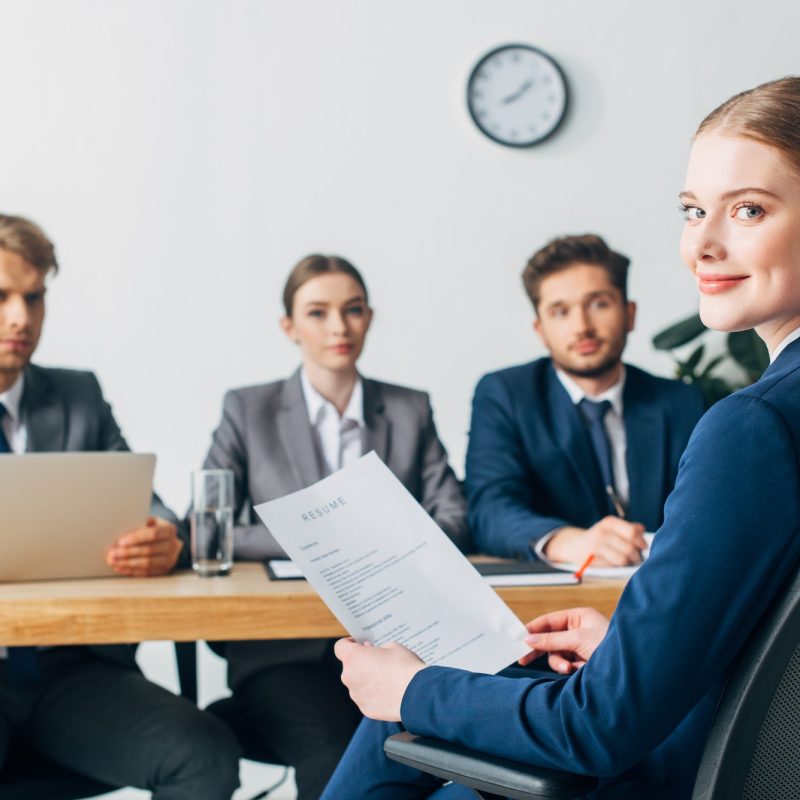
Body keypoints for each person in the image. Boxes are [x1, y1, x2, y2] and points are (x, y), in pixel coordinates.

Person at [320, 75, 800, 799]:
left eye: (748, 210)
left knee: (401, 707)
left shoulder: (751, 428)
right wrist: (632, 649)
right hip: (715, 740)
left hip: (675, 770)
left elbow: (596, 729)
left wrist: (413, 691)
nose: (701, 243)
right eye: (693, 210)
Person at [201, 253, 468, 800]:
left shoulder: (408, 408)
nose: (339, 327)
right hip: (284, 650)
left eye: (352, 310)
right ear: (289, 326)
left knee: (439, 752)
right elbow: (208, 531)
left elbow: (455, 518)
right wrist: (328, 543)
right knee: (332, 751)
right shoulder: (248, 410)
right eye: (318, 312)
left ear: (369, 316)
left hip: (398, 641)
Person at [0, 214, 240, 798]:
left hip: (70, 670)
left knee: (205, 755)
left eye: (35, 298)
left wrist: (164, 534)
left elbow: (146, 502)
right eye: (3, 297)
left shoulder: (78, 395)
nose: (21, 318)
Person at [466, 234, 705, 566]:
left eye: (599, 304)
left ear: (629, 313)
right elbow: (489, 509)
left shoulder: (681, 402)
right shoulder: (505, 395)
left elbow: (704, 509)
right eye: (561, 312)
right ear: (541, 329)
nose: (582, 327)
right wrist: (569, 542)